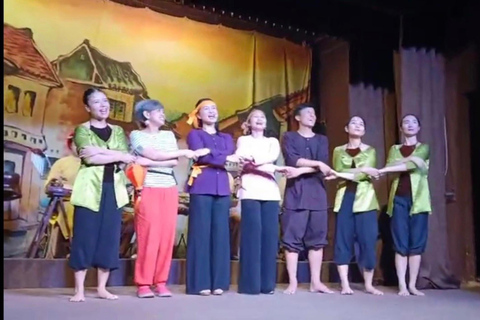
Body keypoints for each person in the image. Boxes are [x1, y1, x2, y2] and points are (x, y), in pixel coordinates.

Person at [69, 88, 135, 302]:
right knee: (84, 236)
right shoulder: (82, 130)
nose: (103, 105)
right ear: (88, 107)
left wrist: (103, 153)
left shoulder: (117, 131)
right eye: (97, 102)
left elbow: (126, 157)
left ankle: (101, 288)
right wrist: (115, 155)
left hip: (114, 189)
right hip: (89, 189)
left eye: (105, 101)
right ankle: (79, 289)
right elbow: (89, 158)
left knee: (109, 238)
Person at [129, 99, 200, 298]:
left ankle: (160, 281)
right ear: (146, 115)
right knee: (148, 235)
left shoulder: (168, 135)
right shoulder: (136, 135)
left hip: (168, 187)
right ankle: (143, 283)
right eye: (158, 111)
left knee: (166, 237)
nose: (162, 114)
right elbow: (150, 153)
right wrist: (167, 156)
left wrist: (148, 161)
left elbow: (171, 161)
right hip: (148, 187)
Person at [185, 98, 237, 296]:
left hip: (222, 187)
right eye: (207, 109)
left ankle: (219, 282)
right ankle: (199, 283)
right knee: (200, 234)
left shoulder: (226, 137)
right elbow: (202, 157)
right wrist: (219, 155)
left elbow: (229, 153)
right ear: (198, 114)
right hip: (201, 185)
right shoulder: (194, 134)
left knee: (221, 235)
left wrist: (211, 152)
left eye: (214, 108)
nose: (212, 111)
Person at [280, 103, 334, 294]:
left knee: (317, 240)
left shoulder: (322, 139)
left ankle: (316, 282)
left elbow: (324, 166)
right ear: (297, 117)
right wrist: (316, 164)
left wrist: (304, 169)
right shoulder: (289, 137)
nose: (312, 115)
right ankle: (293, 281)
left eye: (314, 113)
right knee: (292, 239)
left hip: (317, 195)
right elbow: (292, 160)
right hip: (296, 195)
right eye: (308, 113)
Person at [235, 109, 288, 295]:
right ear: (248, 123)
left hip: (270, 192)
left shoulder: (272, 142)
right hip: (250, 190)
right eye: (255, 117)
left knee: (269, 238)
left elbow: (271, 157)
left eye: (262, 117)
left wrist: (254, 161)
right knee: (252, 237)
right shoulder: (244, 140)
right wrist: (267, 166)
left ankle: (267, 284)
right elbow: (241, 156)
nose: (259, 119)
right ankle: (250, 285)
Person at [330, 116, 383, 295]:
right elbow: (337, 171)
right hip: (344, 198)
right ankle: (345, 284)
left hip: (365, 200)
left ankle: (368, 284)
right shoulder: (338, 150)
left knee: (368, 241)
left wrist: (347, 173)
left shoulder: (370, 151)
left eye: (361, 124)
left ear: (364, 131)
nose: (358, 126)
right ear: (346, 128)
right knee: (342, 241)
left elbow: (358, 177)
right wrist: (363, 170)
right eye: (354, 122)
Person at [379, 114, 431, 296]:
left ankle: (412, 285)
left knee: (416, 243)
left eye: (414, 122)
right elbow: (401, 164)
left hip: (419, 201)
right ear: (401, 128)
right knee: (400, 242)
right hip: (398, 200)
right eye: (406, 122)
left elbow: (413, 165)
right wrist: (404, 162)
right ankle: (402, 285)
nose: (410, 125)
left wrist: (388, 168)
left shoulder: (424, 148)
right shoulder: (395, 148)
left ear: (418, 128)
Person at [44, 133, 81, 258]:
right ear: (71, 144)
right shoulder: (62, 163)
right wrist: (62, 187)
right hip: (66, 203)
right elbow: (49, 187)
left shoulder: (93, 166)